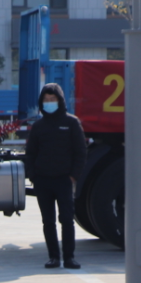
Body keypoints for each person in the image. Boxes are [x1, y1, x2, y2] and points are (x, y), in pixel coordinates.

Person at [24, 82, 87, 269]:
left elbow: (81, 152)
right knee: (48, 221)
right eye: (46, 100)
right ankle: (53, 257)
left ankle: (69, 258)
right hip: (43, 181)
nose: (49, 103)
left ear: (60, 101)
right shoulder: (38, 126)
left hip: (64, 180)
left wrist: (73, 176)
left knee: (67, 219)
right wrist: (33, 176)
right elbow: (30, 153)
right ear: (41, 103)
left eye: (53, 99)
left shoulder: (71, 123)